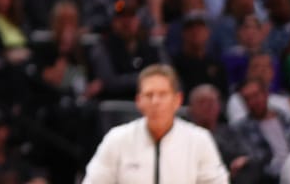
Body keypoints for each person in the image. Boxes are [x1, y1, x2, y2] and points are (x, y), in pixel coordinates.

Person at [82, 64, 228, 183]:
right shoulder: (117, 139)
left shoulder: (199, 140)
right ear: (139, 101)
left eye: (163, 94)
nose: (155, 101)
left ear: (177, 100)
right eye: (149, 95)